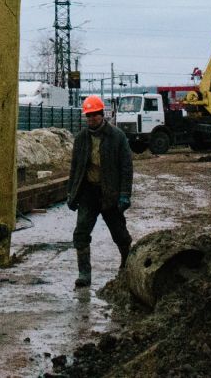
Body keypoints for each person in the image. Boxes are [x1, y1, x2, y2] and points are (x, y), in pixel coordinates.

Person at [66, 94, 133, 289]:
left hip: (110, 193)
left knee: (119, 233)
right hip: (89, 193)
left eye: (94, 115)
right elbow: (75, 167)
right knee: (81, 233)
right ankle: (84, 273)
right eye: (88, 116)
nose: (91, 119)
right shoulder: (81, 139)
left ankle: (126, 264)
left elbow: (126, 168)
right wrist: (71, 193)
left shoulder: (117, 137)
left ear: (102, 114)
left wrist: (124, 195)